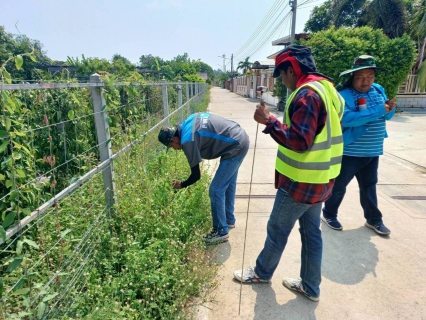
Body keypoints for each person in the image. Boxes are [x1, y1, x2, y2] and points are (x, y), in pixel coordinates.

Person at [233, 45, 344, 302]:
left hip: (300, 181)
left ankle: (261, 273)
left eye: (282, 75)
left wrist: (270, 121)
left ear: (292, 70)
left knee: (277, 228)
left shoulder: (307, 95)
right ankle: (310, 286)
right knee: (311, 233)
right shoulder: (329, 90)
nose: (282, 82)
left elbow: (300, 141)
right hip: (322, 178)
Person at [321, 55, 396, 236]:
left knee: (369, 185)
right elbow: (347, 119)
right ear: (352, 77)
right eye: (361, 77)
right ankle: (329, 213)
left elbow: (386, 117)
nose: (366, 81)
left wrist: (389, 109)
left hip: (372, 150)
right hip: (350, 151)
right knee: (339, 186)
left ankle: (374, 219)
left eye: (370, 76)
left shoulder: (378, 91)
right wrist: (379, 111)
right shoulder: (343, 95)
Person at [158, 112, 249, 244]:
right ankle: (228, 220)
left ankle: (220, 230)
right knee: (227, 184)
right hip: (238, 136)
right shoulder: (189, 121)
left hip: (235, 146)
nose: (175, 149)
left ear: (173, 139)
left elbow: (196, 175)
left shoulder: (188, 141)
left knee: (215, 190)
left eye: (171, 146)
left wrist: (182, 184)